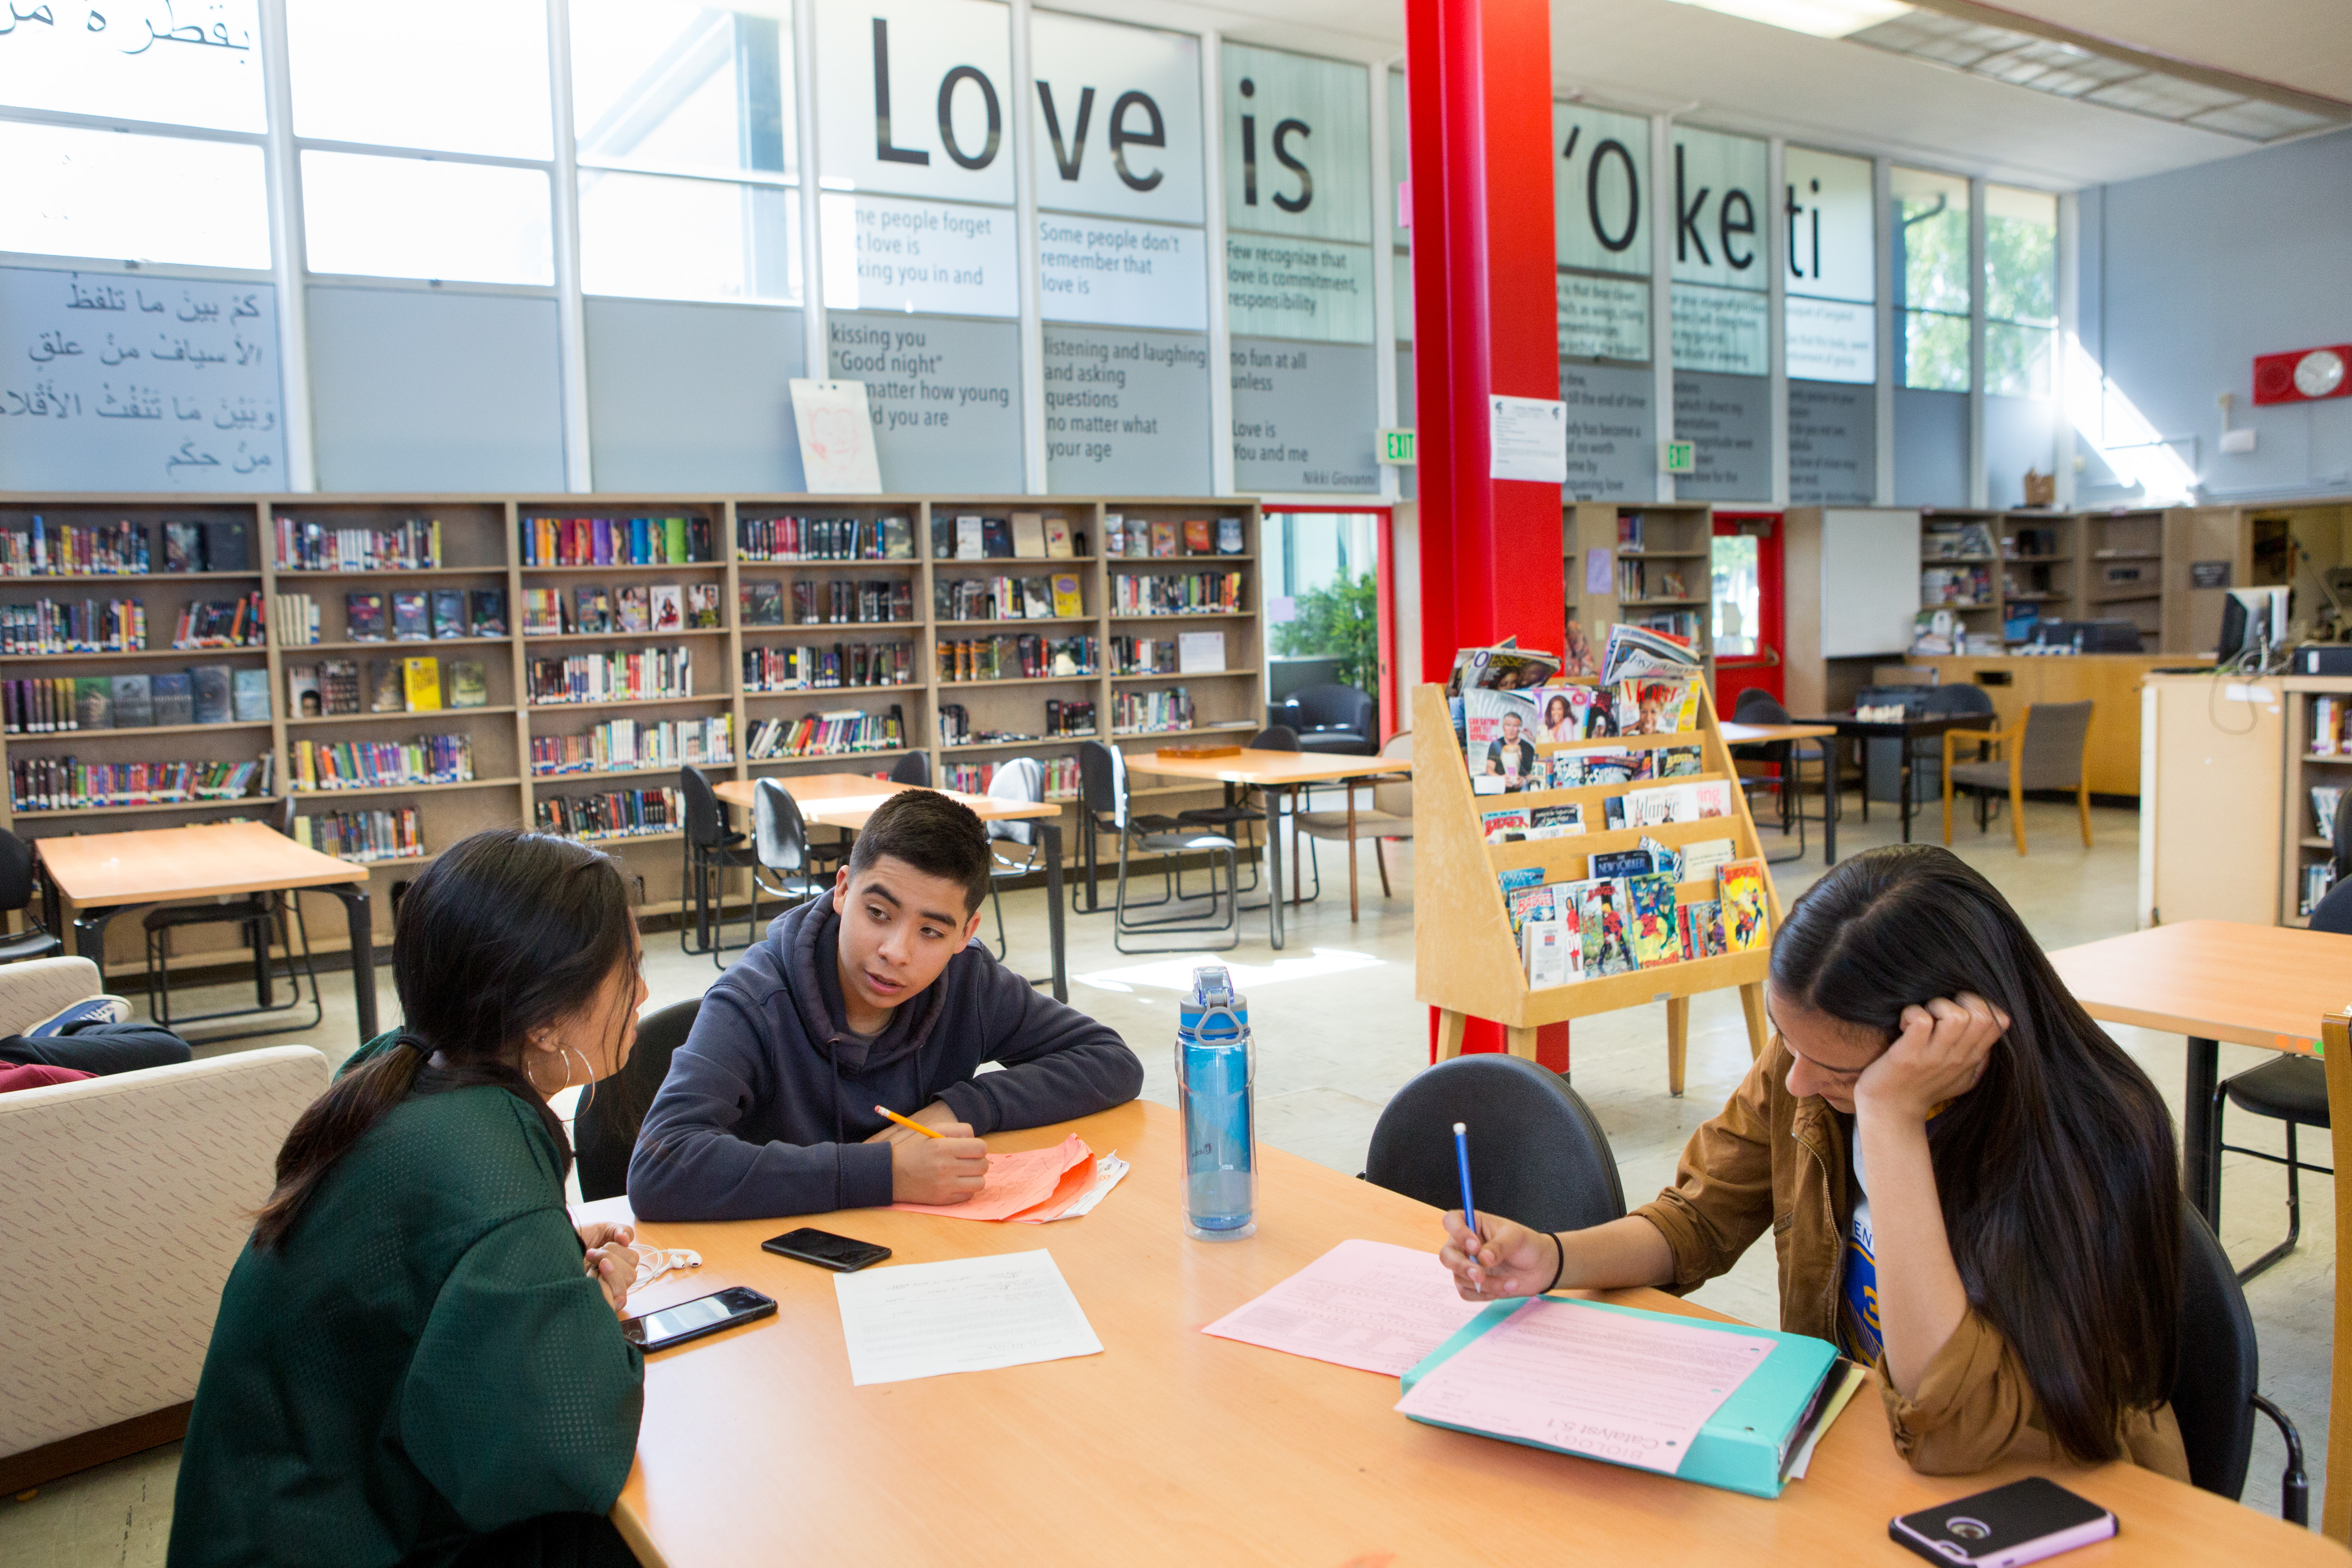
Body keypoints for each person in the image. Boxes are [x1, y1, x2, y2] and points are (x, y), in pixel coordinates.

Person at [1439, 845, 2187, 1479]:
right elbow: (1697, 1218)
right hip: (1854, 1445)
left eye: (1835, 1069)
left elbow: (1951, 1424)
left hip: (2041, 1487)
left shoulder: (2091, 1136)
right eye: (1785, 1041)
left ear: (1937, 1040)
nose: (1796, 1081)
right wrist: (1551, 1258)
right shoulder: (1814, 1057)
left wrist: (1889, 1121)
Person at [169, 830, 650, 1568]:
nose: (644, 995)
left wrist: (539, 1262)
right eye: (632, 973)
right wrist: (593, 1316)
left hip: (262, 1512)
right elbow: (564, 1455)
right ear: (544, 1019)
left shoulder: (404, 1068)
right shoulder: (484, 1152)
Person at [628, 789, 1143, 1221]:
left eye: (931, 931)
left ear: (966, 933)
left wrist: (960, 1108)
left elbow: (1110, 1060)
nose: (896, 951)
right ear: (843, 891)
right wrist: (886, 1173)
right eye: (877, 913)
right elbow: (661, 1166)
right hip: (789, 1272)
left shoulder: (969, 981)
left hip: (919, 1254)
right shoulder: (755, 999)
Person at [1483, 710, 1537, 788]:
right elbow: (1489, 769)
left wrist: (1523, 780)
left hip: (1521, 791)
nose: (1511, 730)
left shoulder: (1528, 748)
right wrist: (1501, 779)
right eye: (1508, 725)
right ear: (1503, 727)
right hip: (1500, 790)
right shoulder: (1496, 744)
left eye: (1515, 726)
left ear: (1520, 729)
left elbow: (1533, 774)